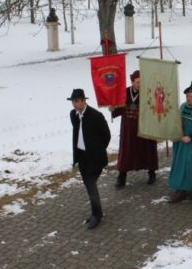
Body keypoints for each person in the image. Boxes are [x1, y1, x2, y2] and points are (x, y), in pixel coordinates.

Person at [68, 89, 111, 229]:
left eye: (76, 101)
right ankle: (96, 213)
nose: (74, 104)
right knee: (89, 185)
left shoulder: (95, 116)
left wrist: (97, 150)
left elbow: (106, 136)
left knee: (91, 185)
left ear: (83, 100)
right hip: (82, 156)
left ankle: (97, 215)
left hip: (95, 158)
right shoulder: (73, 115)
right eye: (72, 102)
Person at [110, 71, 158, 188]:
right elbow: (117, 108)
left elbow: (154, 108)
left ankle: (152, 173)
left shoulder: (148, 93)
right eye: (137, 82)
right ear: (132, 82)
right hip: (128, 129)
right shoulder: (124, 92)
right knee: (126, 151)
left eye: (142, 82)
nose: (140, 84)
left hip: (144, 127)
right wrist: (112, 108)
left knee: (148, 149)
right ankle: (121, 177)